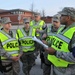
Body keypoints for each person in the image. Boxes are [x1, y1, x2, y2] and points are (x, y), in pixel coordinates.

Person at [45, 7, 75, 75]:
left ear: (68, 17)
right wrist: (48, 43)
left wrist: (55, 52)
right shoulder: (62, 29)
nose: (60, 17)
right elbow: (58, 42)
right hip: (58, 67)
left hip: (67, 71)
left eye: (62, 15)